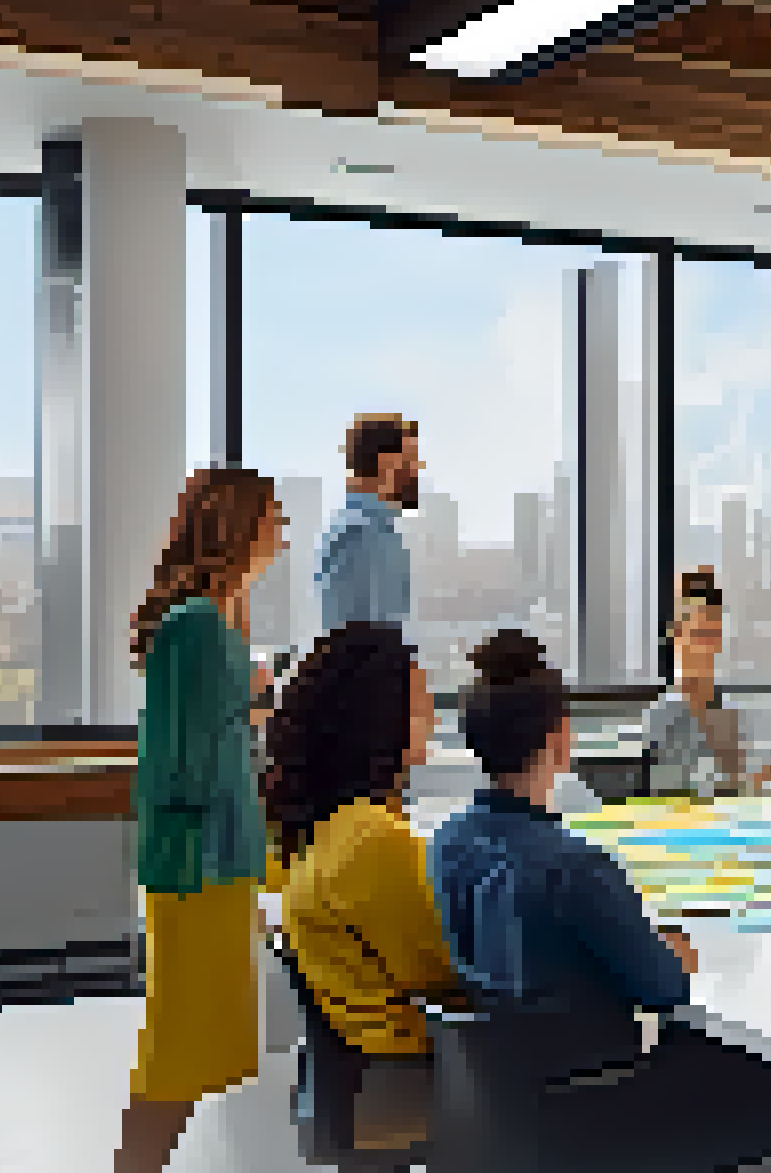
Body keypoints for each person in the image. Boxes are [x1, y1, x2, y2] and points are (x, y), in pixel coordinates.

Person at [430, 631, 771, 1171]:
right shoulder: (573, 866)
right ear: (561, 742)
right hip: (594, 1104)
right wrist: (665, 947)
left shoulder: (448, 844)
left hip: (509, 1104)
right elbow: (667, 985)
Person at [116, 467, 288, 1173]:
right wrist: (245, 697)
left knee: (191, 1053)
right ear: (238, 527)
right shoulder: (197, 627)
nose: (280, 532)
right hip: (199, 867)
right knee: (178, 1057)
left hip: (211, 864)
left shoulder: (208, 622)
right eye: (271, 518)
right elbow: (190, 767)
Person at [261, 622, 459, 1151]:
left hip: (356, 1084)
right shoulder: (372, 838)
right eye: (421, 706)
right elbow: (454, 968)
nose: (435, 720)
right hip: (408, 1087)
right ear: (379, 722)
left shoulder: (320, 829)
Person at [646, 567, 769, 796]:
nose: (708, 647)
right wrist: (756, 782)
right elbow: (676, 799)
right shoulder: (665, 717)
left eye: (714, 635)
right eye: (700, 635)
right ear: (677, 635)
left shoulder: (732, 712)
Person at [318, 413, 423, 633]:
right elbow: (367, 643)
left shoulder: (355, 526)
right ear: (387, 462)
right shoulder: (368, 534)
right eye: (411, 460)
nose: (417, 469)